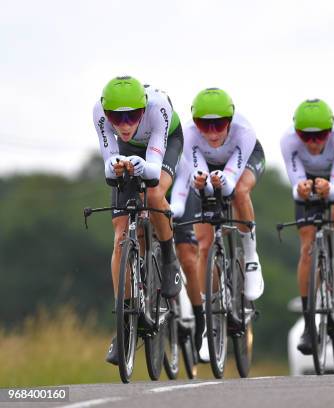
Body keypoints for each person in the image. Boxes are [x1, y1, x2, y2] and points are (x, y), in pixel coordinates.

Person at [93, 76, 183, 365]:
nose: (124, 124)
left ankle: (169, 259)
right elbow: (109, 162)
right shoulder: (98, 112)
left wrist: (143, 166)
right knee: (121, 235)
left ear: (143, 109)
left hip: (164, 144)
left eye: (132, 116)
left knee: (154, 195)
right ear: (106, 113)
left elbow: (154, 169)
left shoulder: (158, 107)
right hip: (127, 152)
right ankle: (125, 327)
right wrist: (117, 166)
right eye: (116, 118)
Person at [280, 98, 334, 355]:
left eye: (320, 136)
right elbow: (296, 184)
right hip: (310, 181)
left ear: (331, 130)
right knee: (307, 245)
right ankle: (308, 325)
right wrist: (301, 188)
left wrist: (330, 188)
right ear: (297, 134)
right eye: (307, 137)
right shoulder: (288, 141)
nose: (314, 143)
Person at [183, 88, 265, 302]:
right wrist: (201, 183)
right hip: (209, 166)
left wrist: (220, 181)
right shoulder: (189, 135)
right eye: (204, 125)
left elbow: (229, 184)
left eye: (219, 125)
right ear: (195, 122)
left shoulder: (244, 131)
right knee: (203, 245)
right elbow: (200, 178)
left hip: (243, 162)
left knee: (239, 191)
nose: (212, 133)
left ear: (229, 120)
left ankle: (250, 257)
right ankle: (210, 309)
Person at [169, 156, 205, 356]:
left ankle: (200, 320)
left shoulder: (175, 157)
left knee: (188, 259)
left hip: (180, 197)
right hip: (152, 195)